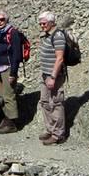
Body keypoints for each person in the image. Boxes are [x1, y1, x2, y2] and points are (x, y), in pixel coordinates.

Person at [36, 11, 69, 145]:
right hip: (45, 75)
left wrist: (53, 77)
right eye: (40, 23)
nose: (41, 26)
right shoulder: (48, 35)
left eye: (43, 23)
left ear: (51, 22)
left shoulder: (58, 36)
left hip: (53, 76)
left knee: (55, 103)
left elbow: (60, 58)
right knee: (44, 101)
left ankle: (58, 134)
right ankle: (50, 129)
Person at [0, 10, 24, 132]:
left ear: (6, 19)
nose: (0, 22)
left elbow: (17, 55)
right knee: (2, 95)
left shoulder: (12, 33)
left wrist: (13, 73)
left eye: (2, 19)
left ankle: (12, 123)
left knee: (9, 95)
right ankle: (6, 119)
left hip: (8, 68)